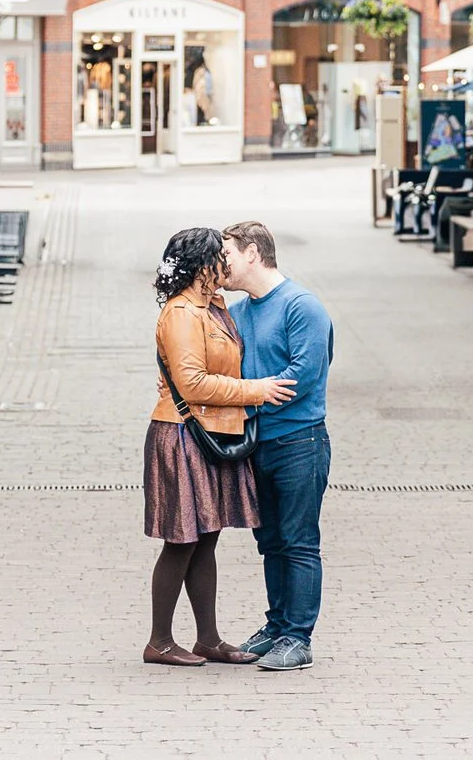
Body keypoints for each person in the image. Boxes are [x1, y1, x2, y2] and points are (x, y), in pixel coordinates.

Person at [144, 227, 294, 667]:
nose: (226, 265)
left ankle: (207, 638)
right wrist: (256, 391)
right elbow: (191, 382)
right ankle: (160, 641)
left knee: (205, 538)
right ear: (201, 266)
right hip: (183, 436)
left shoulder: (212, 306)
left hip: (213, 433)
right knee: (182, 540)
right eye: (218, 258)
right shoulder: (181, 314)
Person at [221, 219, 334, 673]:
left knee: (299, 542)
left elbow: (305, 374)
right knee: (269, 542)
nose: (220, 266)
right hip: (255, 444)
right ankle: (277, 624)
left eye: (226, 255)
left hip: (299, 441)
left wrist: (248, 393)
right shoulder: (237, 312)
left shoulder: (301, 306)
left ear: (252, 253)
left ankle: (298, 638)